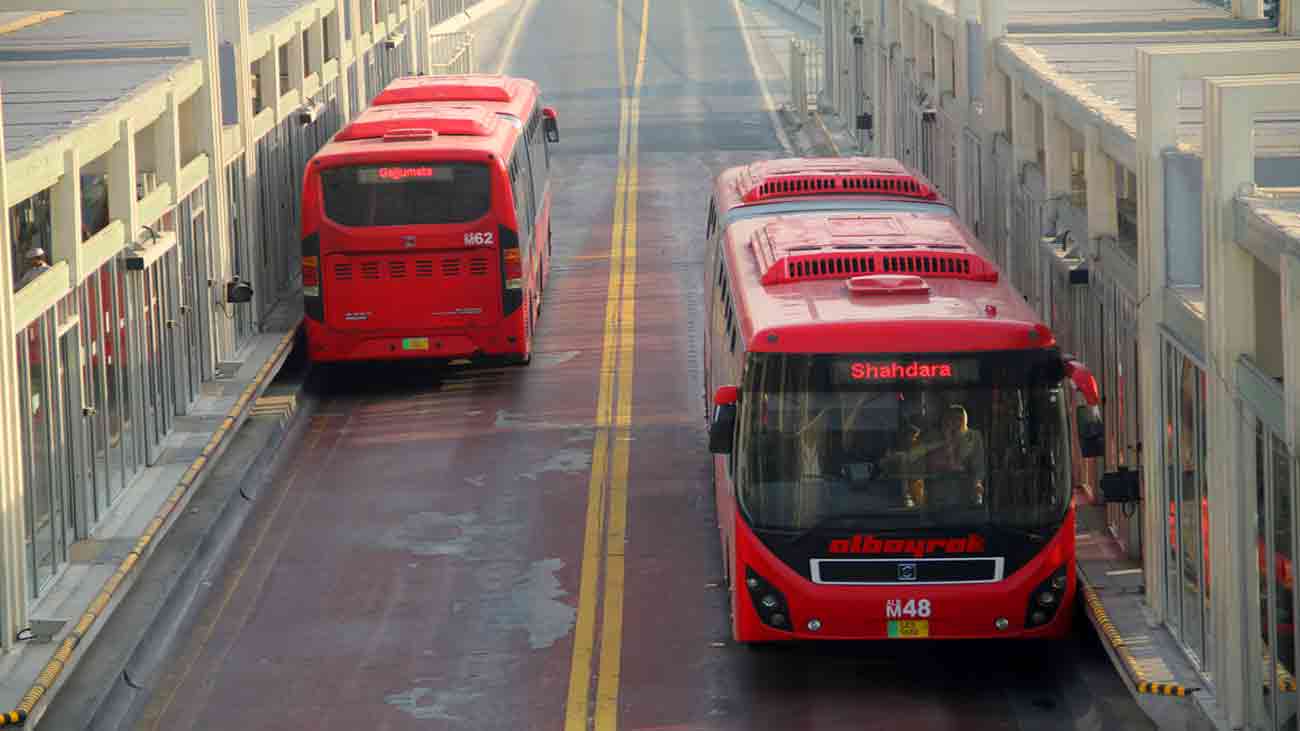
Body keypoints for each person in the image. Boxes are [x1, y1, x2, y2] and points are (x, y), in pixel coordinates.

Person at [917, 404, 986, 506]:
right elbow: (931, 466)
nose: (954, 423)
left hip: (965, 490)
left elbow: (978, 465)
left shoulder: (973, 437)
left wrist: (977, 483)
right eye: (951, 419)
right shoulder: (934, 438)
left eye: (958, 419)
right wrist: (947, 440)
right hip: (940, 491)